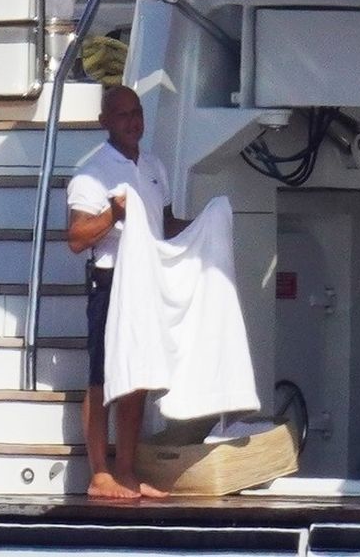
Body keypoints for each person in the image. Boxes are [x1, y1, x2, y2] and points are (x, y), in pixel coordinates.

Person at [66, 85, 258, 499]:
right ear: (104, 122)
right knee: (101, 379)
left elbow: (164, 225)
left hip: (147, 280)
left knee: (140, 378)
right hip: (111, 280)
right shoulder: (91, 172)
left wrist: (208, 228)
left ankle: (126, 469)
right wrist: (113, 213)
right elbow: (77, 237)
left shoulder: (154, 166)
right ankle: (99, 474)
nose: (133, 122)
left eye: (137, 113)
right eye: (122, 115)